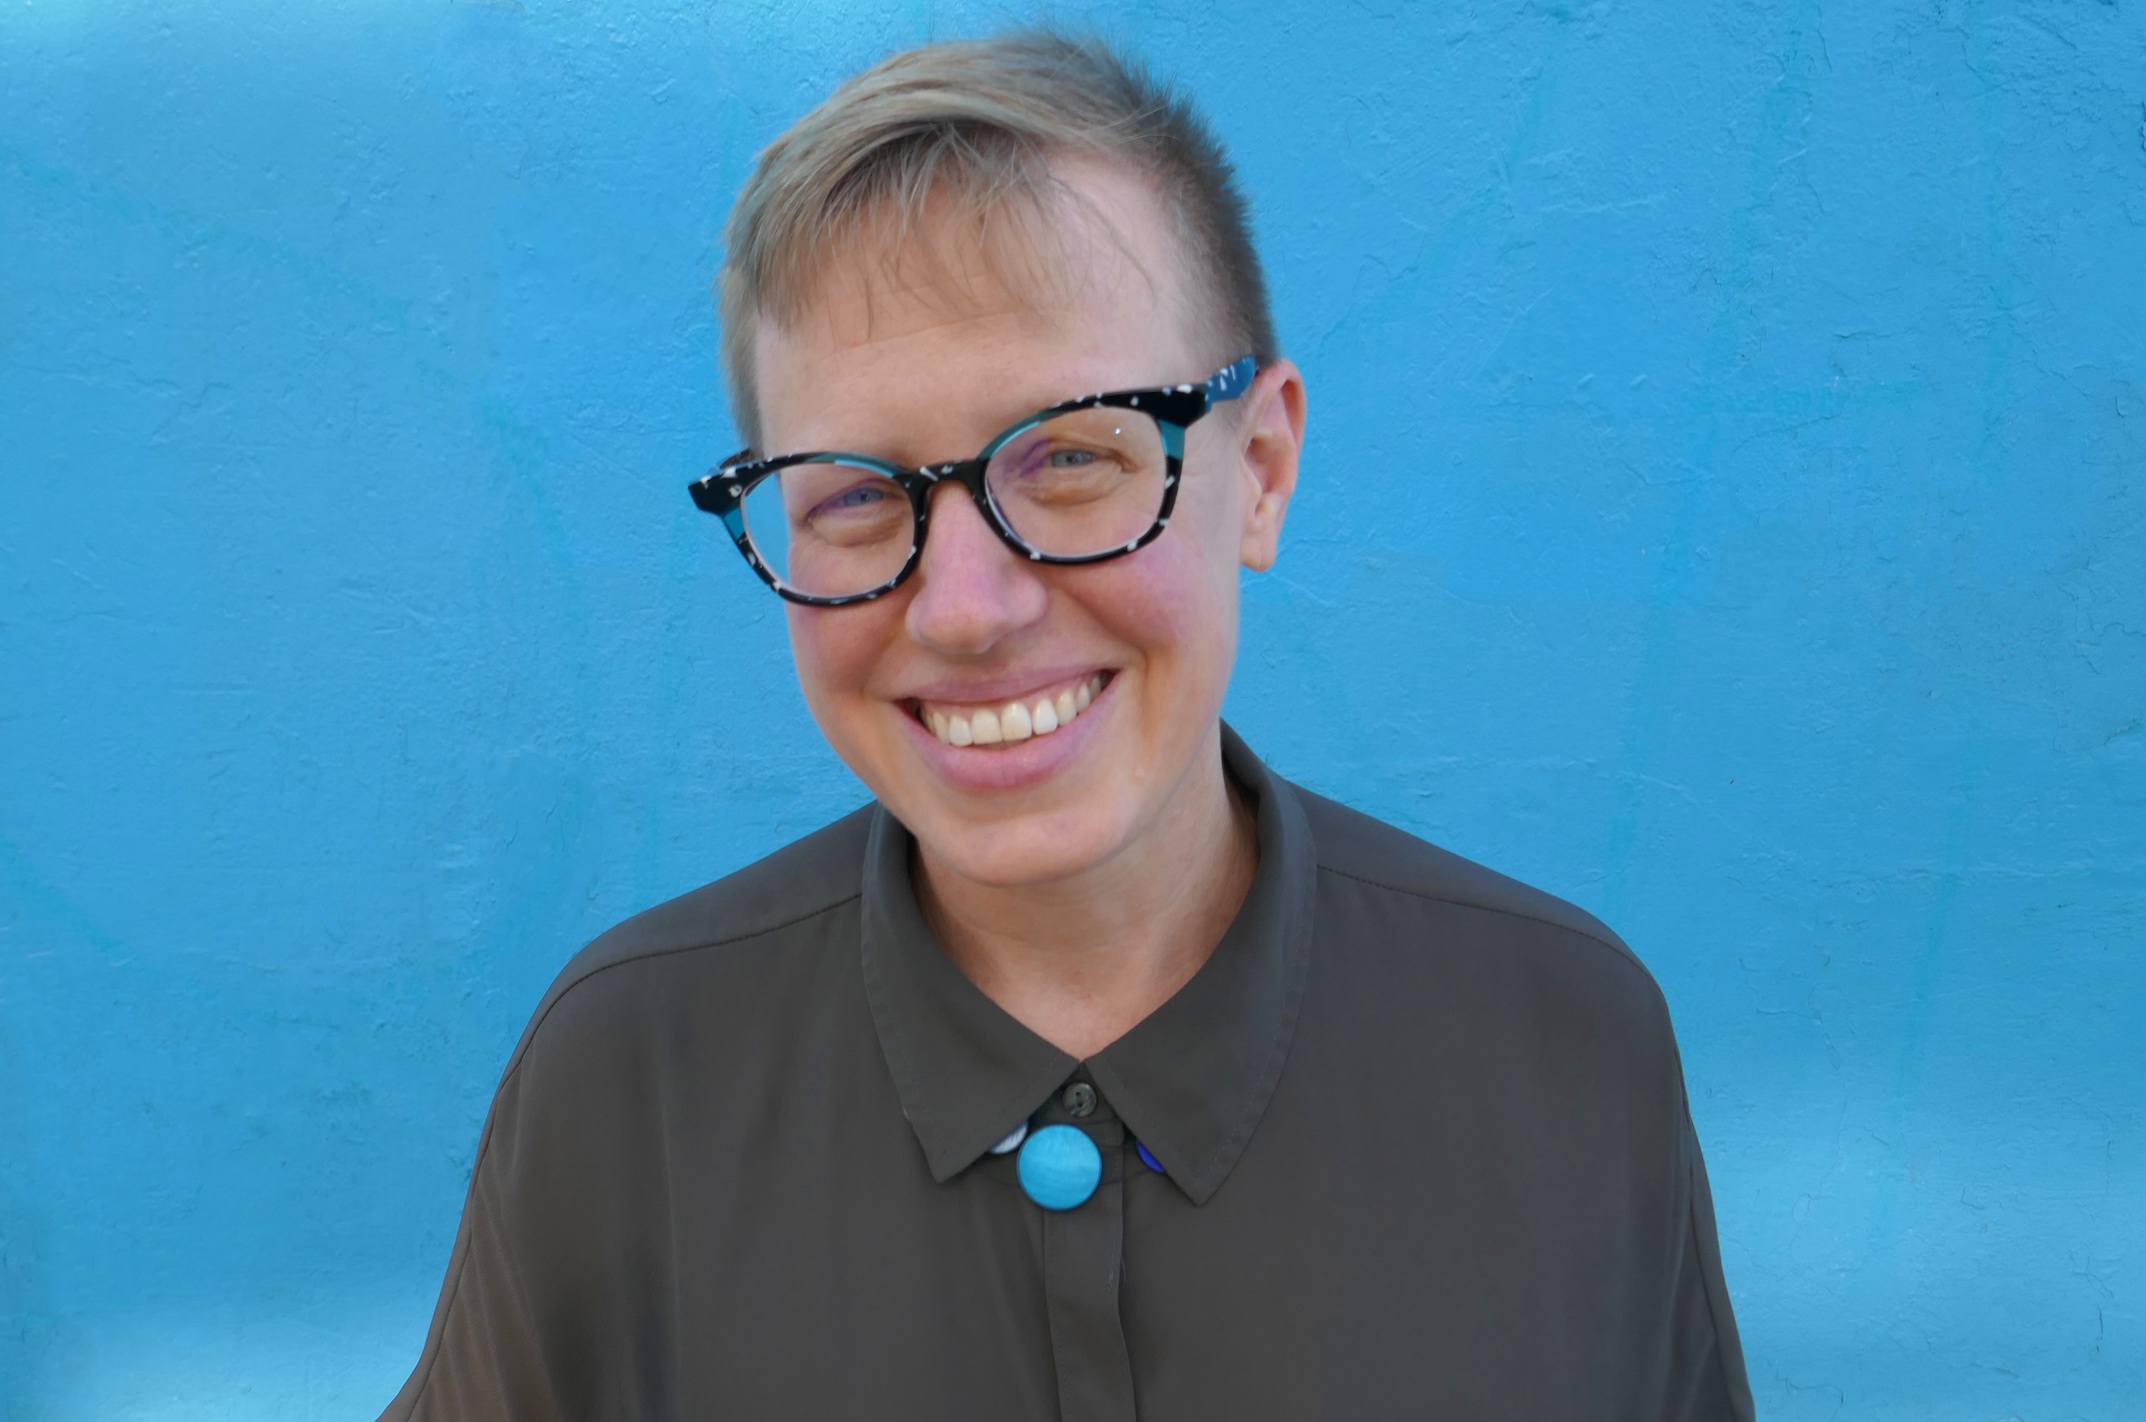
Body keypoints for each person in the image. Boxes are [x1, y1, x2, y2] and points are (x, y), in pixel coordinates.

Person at [381, 28, 1754, 1422]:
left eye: (1076, 454)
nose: (966, 606)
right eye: (853, 492)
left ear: (1261, 469)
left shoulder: (1563, 1049)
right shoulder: (630, 1081)